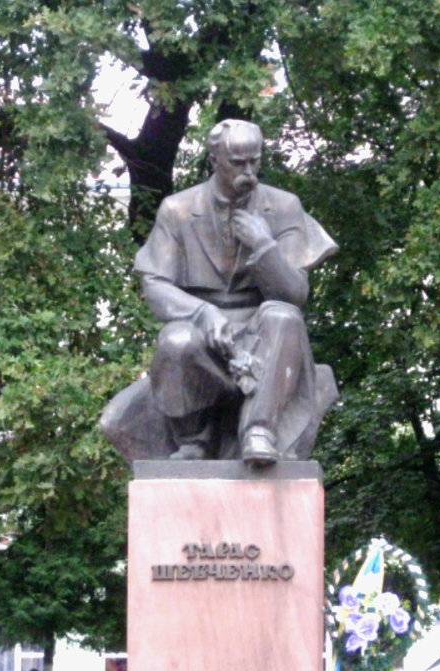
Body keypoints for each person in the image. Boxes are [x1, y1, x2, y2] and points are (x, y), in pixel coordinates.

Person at [101, 119, 339, 466]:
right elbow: (155, 286)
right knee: (176, 339)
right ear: (215, 160)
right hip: (201, 326)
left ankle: (259, 431)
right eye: (237, 162)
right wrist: (202, 313)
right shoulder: (178, 209)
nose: (249, 172)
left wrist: (264, 246)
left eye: (254, 161)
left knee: (284, 317)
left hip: (264, 329)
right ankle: (194, 440)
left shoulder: (283, 206)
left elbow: (295, 294)